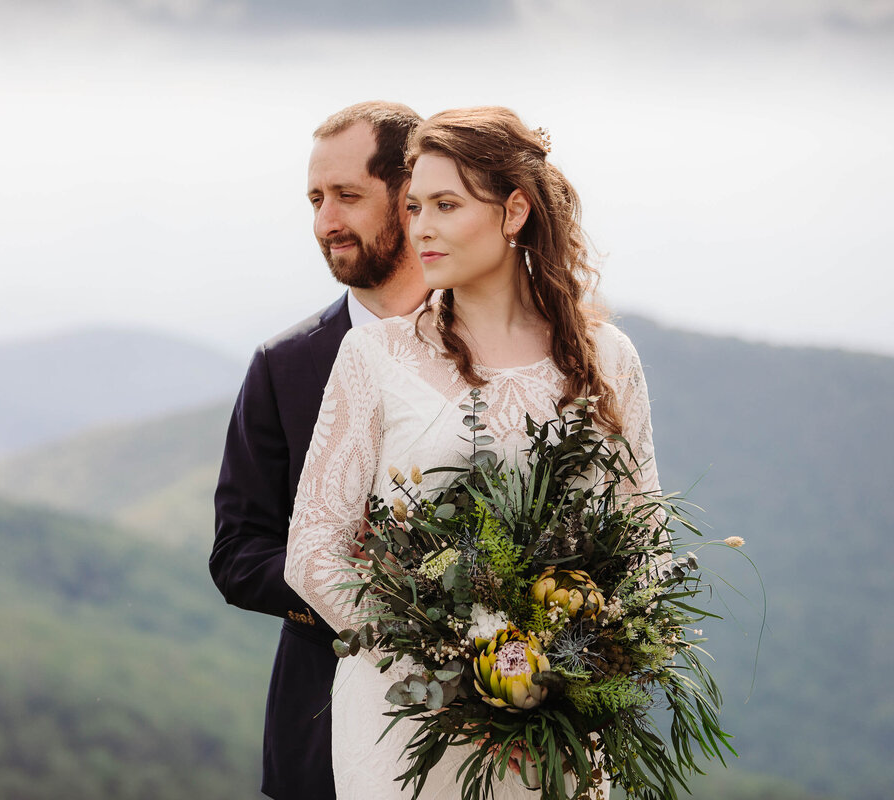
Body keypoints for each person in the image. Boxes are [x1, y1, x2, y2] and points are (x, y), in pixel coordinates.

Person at [285, 106, 660, 799]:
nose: (420, 226)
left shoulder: (608, 359)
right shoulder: (374, 355)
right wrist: (453, 673)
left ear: (514, 211)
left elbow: (644, 543)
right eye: (414, 206)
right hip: (410, 728)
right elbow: (313, 549)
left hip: (558, 730)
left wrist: (571, 680)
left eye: (446, 205)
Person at [209, 101, 426, 799]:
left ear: (410, 197)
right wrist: (355, 596)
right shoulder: (283, 365)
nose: (326, 221)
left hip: (477, 730)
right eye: (315, 199)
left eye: (349, 197)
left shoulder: (490, 348)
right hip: (321, 732)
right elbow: (238, 553)